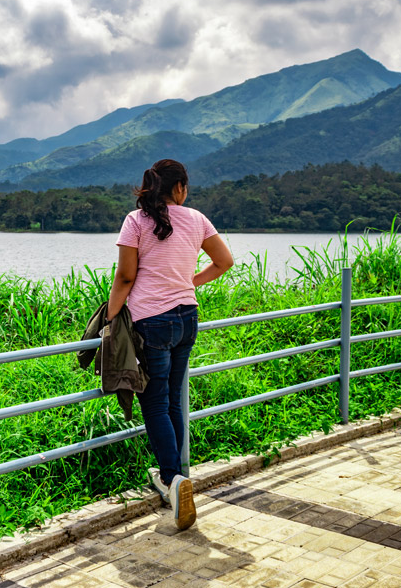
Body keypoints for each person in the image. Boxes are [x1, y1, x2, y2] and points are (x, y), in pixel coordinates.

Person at [106, 159, 234, 530]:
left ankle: (171, 479)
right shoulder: (196, 218)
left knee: (156, 401)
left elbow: (126, 275)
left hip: (152, 322)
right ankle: (177, 476)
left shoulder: (136, 221)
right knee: (174, 398)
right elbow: (224, 261)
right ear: (179, 188)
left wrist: (112, 317)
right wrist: (188, 282)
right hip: (187, 318)